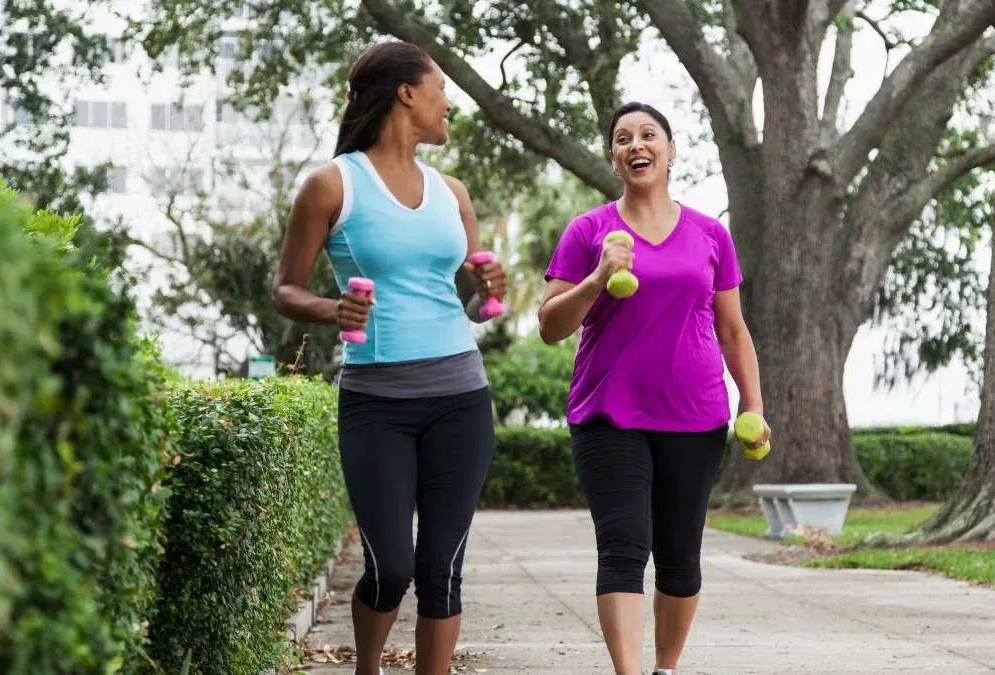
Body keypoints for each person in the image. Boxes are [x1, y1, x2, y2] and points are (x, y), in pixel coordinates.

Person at [271, 40, 507, 675]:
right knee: (392, 567)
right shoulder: (331, 185)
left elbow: (474, 304)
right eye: (440, 89)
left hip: (460, 396)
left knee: (441, 567)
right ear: (407, 93)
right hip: (377, 404)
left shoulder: (452, 191)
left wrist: (489, 296)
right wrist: (331, 309)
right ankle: (368, 669)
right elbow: (286, 288)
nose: (448, 102)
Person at [537, 101, 769, 675]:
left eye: (648, 135)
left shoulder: (711, 234)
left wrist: (754, 404)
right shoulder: (589, 231)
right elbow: (549, 326)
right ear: (614, 158)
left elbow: (733, 329)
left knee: (680, 557)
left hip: (697, 417)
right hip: (608, 414)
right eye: (622, 138)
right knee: (621, 546)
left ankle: (666, 668)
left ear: (670, 149)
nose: (636, 145)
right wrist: (596, 277)